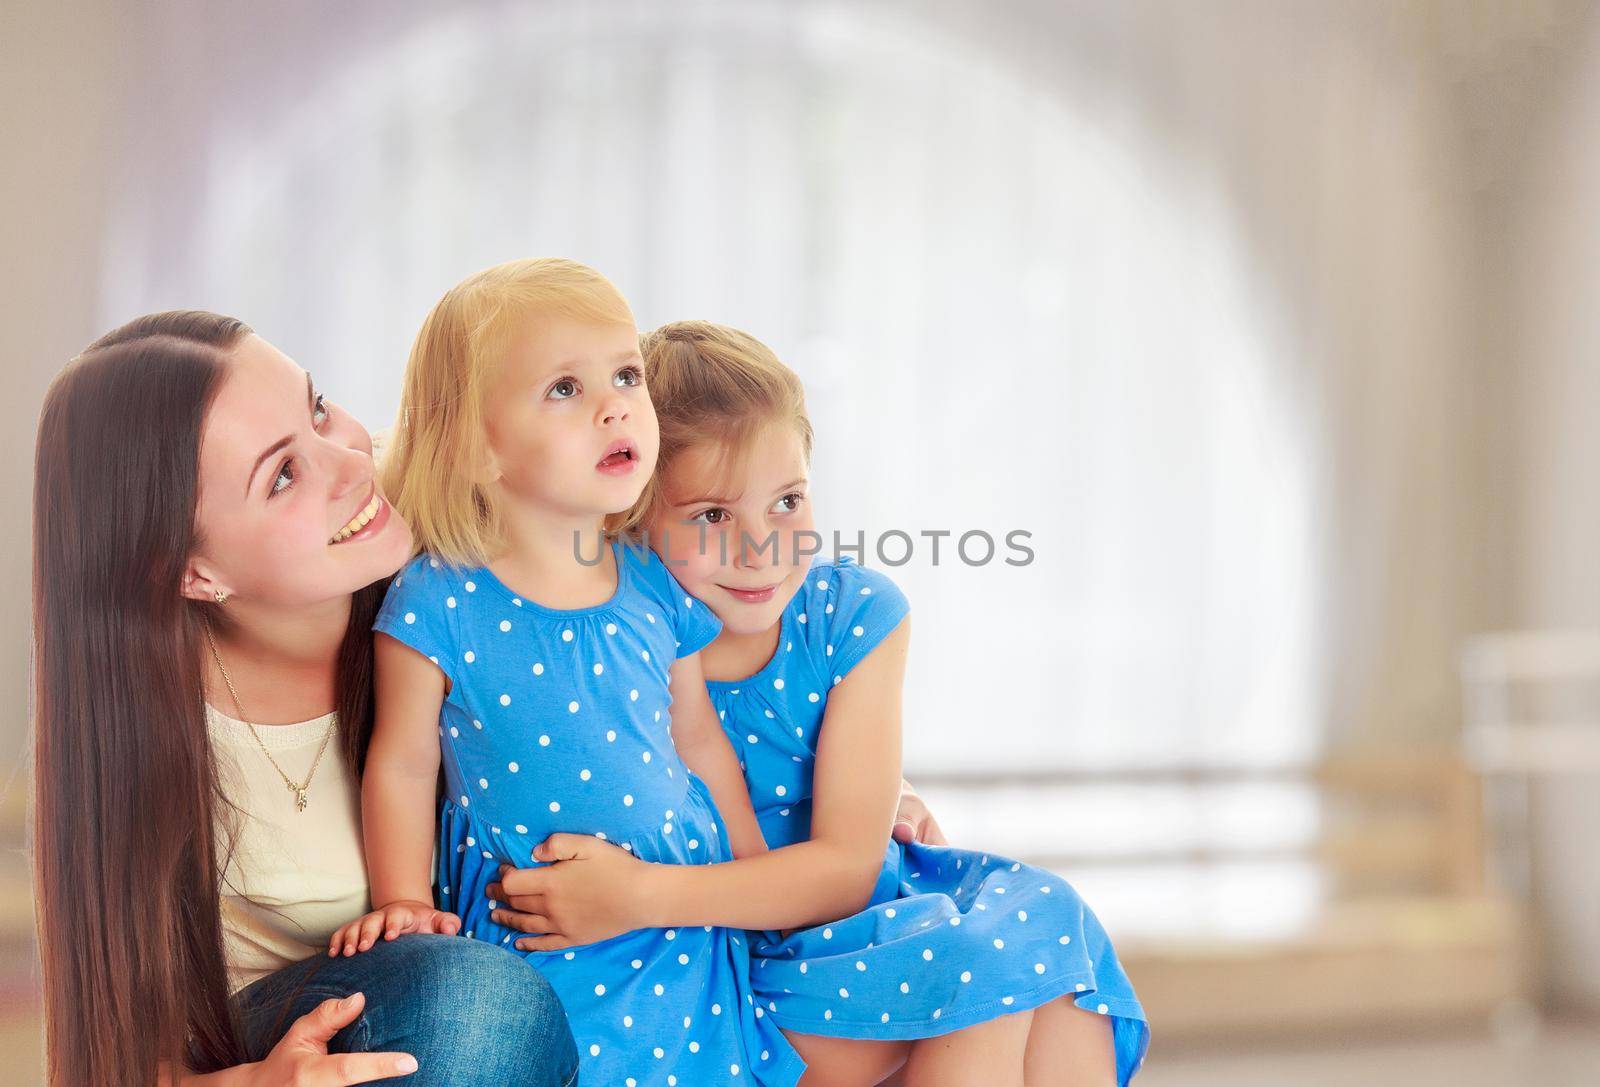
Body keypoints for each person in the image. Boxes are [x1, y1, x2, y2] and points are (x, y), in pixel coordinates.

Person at [487, 322, 1151, 1085]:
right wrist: (636, 900)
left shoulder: (852, 617)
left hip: (859, 919)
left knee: (1044, 923)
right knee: (990, 972)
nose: (761, 547)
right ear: (629, 515)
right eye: (711, 515)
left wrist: (639, 893)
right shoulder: (622, 640)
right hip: (735, 953)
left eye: (788, 501)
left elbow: (844, 873)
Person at [30, 311, 578, 1087]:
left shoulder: (454, 549)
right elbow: (112, 1064)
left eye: (318, 407)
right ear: (194, 573)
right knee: (474, 1005)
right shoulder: (145, 727)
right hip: (278, 1045)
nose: (352, 462)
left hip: (498, 1014)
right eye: (283, 473)